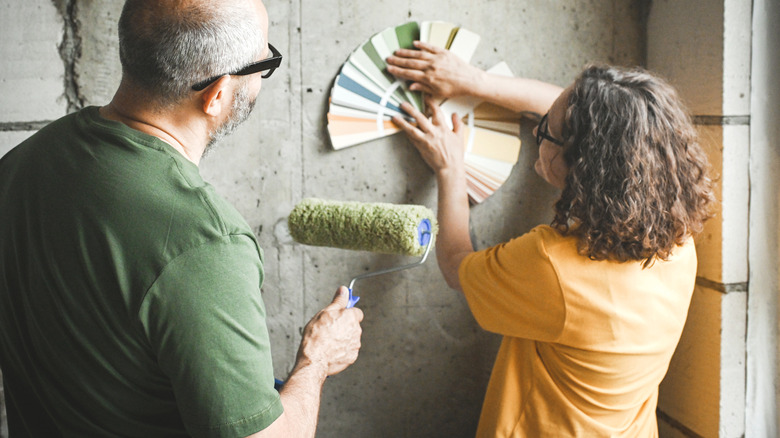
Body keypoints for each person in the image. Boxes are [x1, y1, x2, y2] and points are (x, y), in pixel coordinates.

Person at [0, 0, 363, 436]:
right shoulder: (205, 244)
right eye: (264, 62)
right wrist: (316, 361)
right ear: (218, 94)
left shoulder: (22, 163)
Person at [387, 42, 714, 437]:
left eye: (544, 132)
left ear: (584, 163)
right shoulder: (676, 238)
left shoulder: (553, 264)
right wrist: (476, 82)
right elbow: (582, 114)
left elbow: (457, 265)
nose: (538, 131)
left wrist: (450, 168)